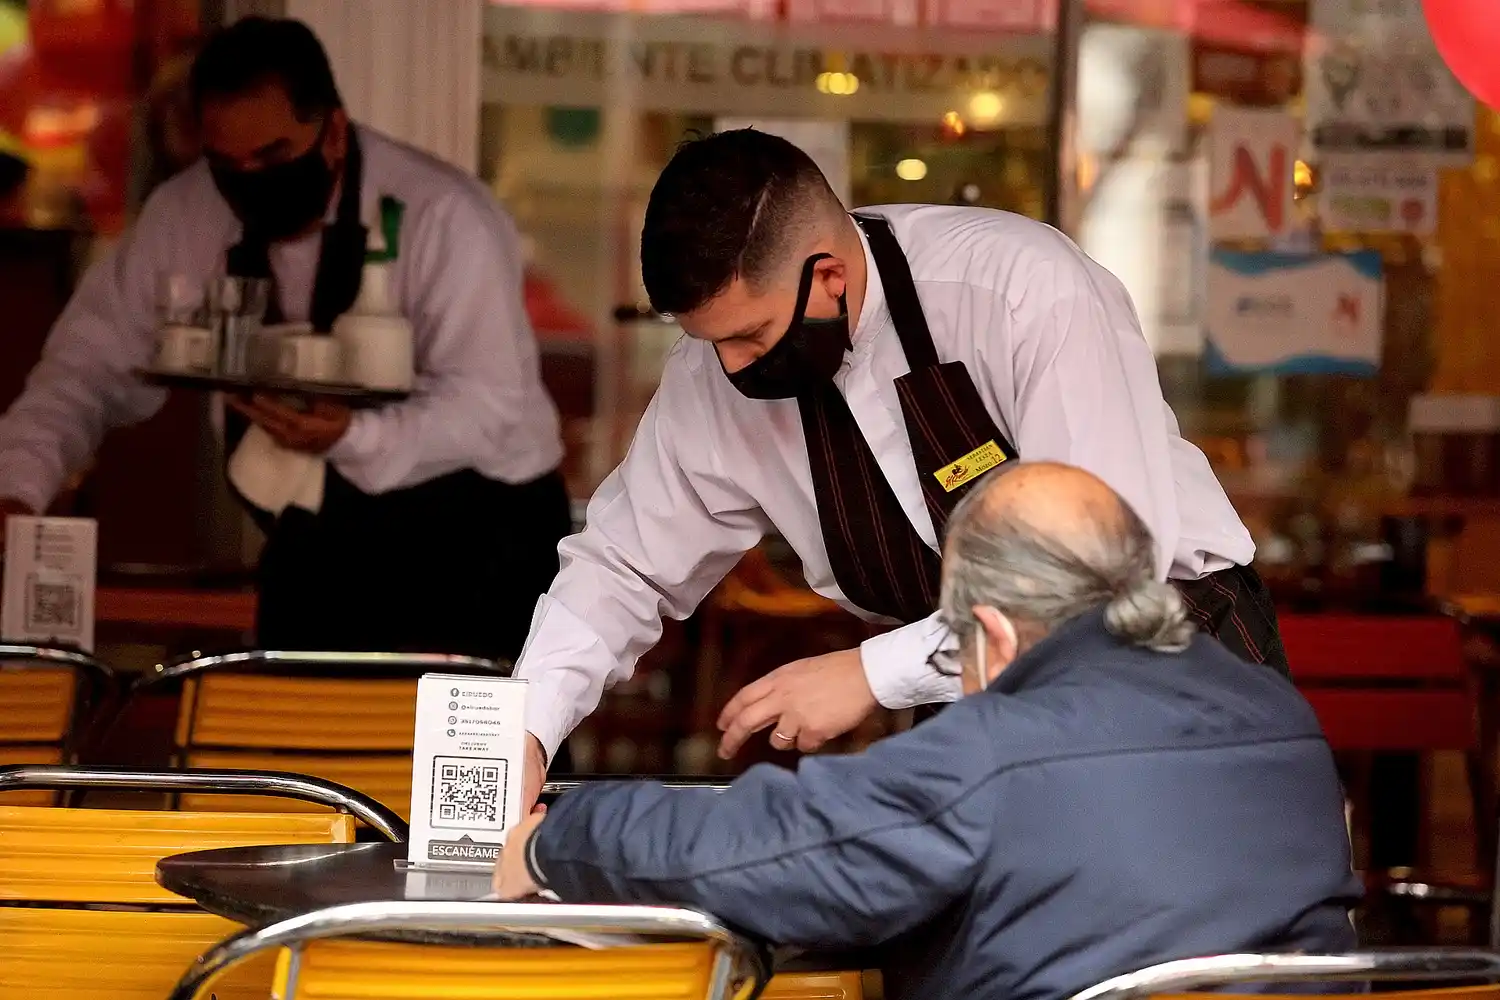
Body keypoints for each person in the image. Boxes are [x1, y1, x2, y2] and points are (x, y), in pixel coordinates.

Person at [512, 127, 1282, 806]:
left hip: (1167, 661)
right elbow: (622, 571)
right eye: (711, 341)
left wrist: (872, 675)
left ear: (830, 278)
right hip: (971, 695)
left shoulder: (1019, 292)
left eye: (750, 335)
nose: (732, 366)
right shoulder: (709, 377)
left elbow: (1102, 573)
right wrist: (527, 730)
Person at [494, 462, 1358, 1000]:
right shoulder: (1279, 714)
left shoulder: (996, 757)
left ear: (1001, 633)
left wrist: (555, 838)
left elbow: (768, 850)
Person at [0, 18, 571, 663]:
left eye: (272, 157)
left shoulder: (442, 216)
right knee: (290, 747)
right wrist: (18, 487)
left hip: (478, 538)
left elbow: (487, 408)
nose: (250, 179)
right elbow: (84, 371)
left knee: (476, 759)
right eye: (227, 165)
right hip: (314, 543)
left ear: (331, 131)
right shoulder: (188, 216)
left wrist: (351, 436)